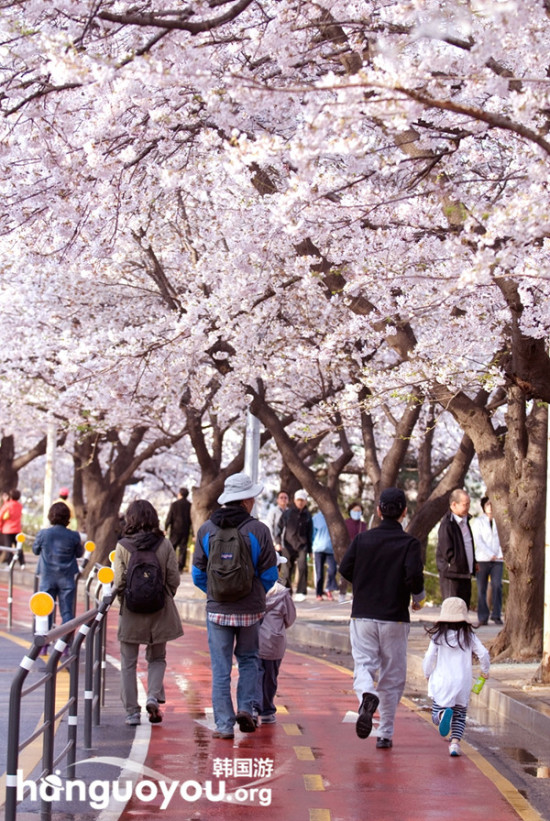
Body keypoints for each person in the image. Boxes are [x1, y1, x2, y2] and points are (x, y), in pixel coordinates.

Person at [192, 472, 278, 739]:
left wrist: (216, 593)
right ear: (247, 500)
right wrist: (253, 593)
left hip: (217, 611)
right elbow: (270, 573)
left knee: (221, 668)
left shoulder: (207, 529)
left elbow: (197, 573)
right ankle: (245, 708)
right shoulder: (259, 530)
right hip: (250, 610)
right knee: (249, 659)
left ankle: (224, 726)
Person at [339, 487, 425, 749]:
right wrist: (418, 598)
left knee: (364, 665)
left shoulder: (363, 540)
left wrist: (364, 585)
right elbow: (413, 577)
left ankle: (366, 693)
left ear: (378, 511)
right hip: (395, 617)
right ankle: (385, 733)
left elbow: (345, 568)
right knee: (392, 675)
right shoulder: (410, 544)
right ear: (404, 512)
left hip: (363, 615)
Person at [114, 499, 183, 726]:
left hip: (132, 612)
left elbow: (119, 583)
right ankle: (153, 696)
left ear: (130, 518)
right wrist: (163, 595)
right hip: (160, 610)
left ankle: (132, 712)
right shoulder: (164, 544)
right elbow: (174, 578)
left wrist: (128, 602)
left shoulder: (123, 546)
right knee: (157, 658)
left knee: (128, 662)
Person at [423, 596, 490, 757]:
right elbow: (484, 653)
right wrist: (485, 670)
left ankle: (441, 714)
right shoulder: (469, 636)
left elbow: (429, 657)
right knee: (459, 716)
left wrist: (426, 673)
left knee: (436, 713)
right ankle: (454, 744)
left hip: (442, 681)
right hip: (462, 682)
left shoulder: (438, 636)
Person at [255, 553, 297, 724]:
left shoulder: (254, 589)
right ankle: (266, 710)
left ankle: (252, 707)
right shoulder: (282, 594)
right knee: (270, 677)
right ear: (278, 570)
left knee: (255, 674)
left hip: (255, 640)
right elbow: (290, 618)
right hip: (275, 642)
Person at [32, 501, 83, 627]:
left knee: (45, 610)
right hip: (66, 577)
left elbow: (35, 550)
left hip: (47, 576)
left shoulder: (43, 534)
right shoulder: (74, 535)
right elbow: (79, 553)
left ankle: (44, 640)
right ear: (67, 518)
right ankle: (65, 642)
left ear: (51, 516)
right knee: (67, 612)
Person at [436, 488, 475, 607]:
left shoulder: (465, 521)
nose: (468, 507)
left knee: (463, 609)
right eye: (465, 504)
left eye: (469, 504)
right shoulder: (447, 524)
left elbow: (467, 544)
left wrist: (474, 562)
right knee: (452, 610)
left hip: (465, 573)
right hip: (452, 574)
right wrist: (456, 563)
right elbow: (447, 551)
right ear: (454, 505)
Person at [470, 496, 505, 625]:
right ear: (484, 507)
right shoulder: (478, 522)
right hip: (482, 559)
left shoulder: (500, 521)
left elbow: (504, 538)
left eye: (492, 504)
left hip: (498, 560)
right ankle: (483, 616)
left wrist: (500, 555)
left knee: (497, 585)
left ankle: (496, 615)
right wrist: (490, 554)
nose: (490, 507)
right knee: (481, 588)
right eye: (487, 505)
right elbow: (478, 540)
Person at [277, 489, 313, 602]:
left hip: (302, 546)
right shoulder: (287, 513)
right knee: (286, 570)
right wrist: (278, 542)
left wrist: (310, 550)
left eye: (302, 500)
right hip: (288, 545)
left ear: (306, 502)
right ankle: (287, 591)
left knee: (302, 567)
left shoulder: (308, 515)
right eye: (298, 500)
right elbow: (279, 527)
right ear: (294, 501)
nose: (300, 502)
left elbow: (310, 533)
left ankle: (301, 592)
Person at [311, 510, 338, 601]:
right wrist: (311, 549)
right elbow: (312, 534)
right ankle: (319, 593)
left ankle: (328, 589)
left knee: (333, 570)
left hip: (330, 549)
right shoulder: (315, 518)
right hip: (318, 549)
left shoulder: (333, 516)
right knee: (319, 573)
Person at [165, 487, 192, 572]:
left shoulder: (174, 504)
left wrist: (166, 527)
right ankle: (180, 567)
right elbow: (191, 519)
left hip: (175, 530)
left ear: (180, 494)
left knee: (172, 547)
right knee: (183, 548)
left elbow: (169, 517)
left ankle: (170, 564)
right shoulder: (190, 505)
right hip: (185, 529)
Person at [0, 489, 24, 565]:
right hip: (17, 528)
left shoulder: (7, 505)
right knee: (18, 546)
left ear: (10, 496)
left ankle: (10, 563)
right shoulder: (20, 506)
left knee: (8, 547)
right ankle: (22, 563)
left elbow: (1, 515)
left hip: (7, 529)